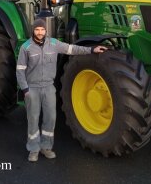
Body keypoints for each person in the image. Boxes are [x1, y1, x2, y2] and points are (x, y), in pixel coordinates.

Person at [16, 18, 107, 162]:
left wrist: (91, 49)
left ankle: (46, 147)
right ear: (33, 31)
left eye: (42, 30)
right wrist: (25, 89)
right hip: (32, 88)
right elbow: (20, 70)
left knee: (51, 118)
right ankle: (33, 149)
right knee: (33, 119)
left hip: (48, 87)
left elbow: (72, 49)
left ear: (46, 30)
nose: (40, 32)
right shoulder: (26, 47)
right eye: (37, 30)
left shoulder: (53, 43)